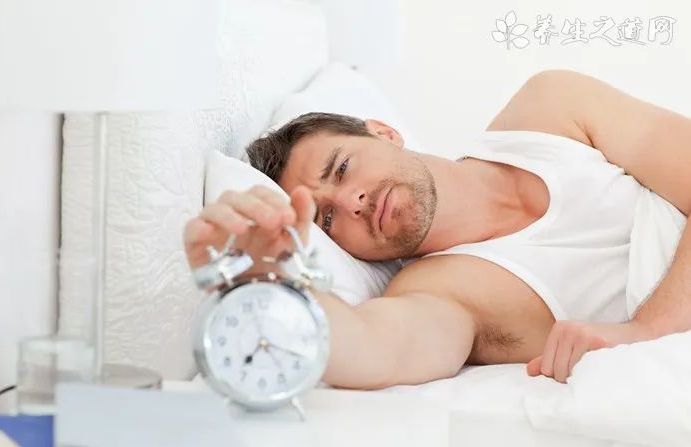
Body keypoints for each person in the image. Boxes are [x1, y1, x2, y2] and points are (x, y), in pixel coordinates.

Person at [183, 70, 691, 387]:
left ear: (384, 132)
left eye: (342, 169)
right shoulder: (439, 290)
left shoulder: (552, 111)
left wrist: (647, 332)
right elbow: (375, 348)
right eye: (327, 220)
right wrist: (273, 282)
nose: (351, 201)